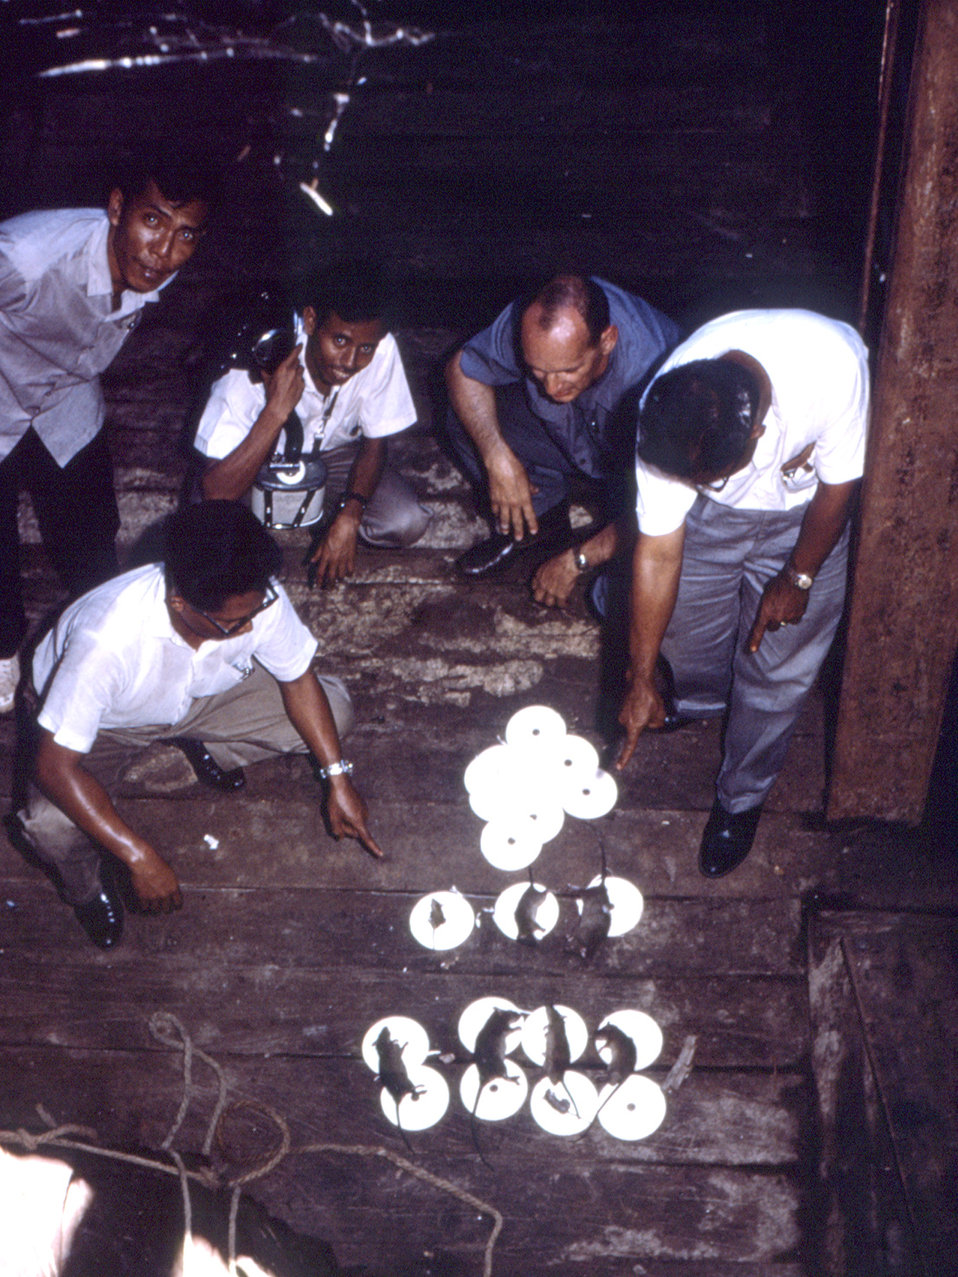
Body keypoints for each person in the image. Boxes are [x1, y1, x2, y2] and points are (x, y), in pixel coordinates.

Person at [5, 500, 381, 949]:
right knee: (50, 825)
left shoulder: (252, 596)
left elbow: (297, 677)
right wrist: (138, 857)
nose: (247, 631)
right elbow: (53, 767)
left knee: (335, 714)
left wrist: (336, 778)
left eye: (254, 614)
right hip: (109, 724)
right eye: (231, 624)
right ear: (179, 602)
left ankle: (200, 743)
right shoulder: (105, 643)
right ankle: (86, 890)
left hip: (201, 693)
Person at [613, 308, 869, 877]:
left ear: (759, 430)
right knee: (684, 634)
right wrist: (640, 678)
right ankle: (698, 702)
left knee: (779, 671)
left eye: (718, 473)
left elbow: (840, 484)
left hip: (806, 518)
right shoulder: (669, 406)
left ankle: (741, 798)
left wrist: (797, 577)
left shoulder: (831, 367)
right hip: (711, 524)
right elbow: (658, 551)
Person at [0, 150, 217, 714]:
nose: (166, 252)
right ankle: (3, 654)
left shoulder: (151, 267)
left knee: (92, 535)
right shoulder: (25, 258)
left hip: (64, 402)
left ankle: (105, 644)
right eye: (152, 221)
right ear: (118, 208)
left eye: (186, 233)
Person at [444, 273, 681, 603]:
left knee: (619, 599)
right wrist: (497, 456)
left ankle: (596, 537)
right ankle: (541, 525)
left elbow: (672, 501)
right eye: (538, 371)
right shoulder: (530, 323)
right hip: (574, 436)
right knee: (465, 416)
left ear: (607, 340)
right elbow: (463, 369)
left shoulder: (658, 370)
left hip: (643, 468)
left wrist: (578, 560)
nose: (552, 388)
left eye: (569, 370)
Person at [192, 268, 432, 586]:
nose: (350, 361)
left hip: (334, 454)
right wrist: (276, 412)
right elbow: (217, 491)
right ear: (310, 320)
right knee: (208, 534)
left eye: (365, 349)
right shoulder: (260, 354)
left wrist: (350, 513)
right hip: (260, 458)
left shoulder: (381, 346)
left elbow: (376, 443)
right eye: (340, 340)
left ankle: (328, 519)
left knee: (406, 522)